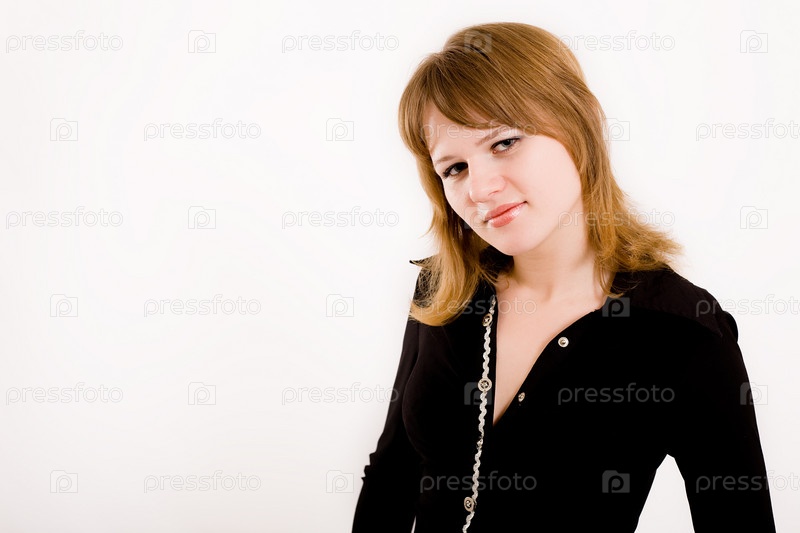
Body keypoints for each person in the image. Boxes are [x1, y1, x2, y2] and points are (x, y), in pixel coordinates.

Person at [352, 22, 776, 533]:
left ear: (581, 123)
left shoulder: (685, 331)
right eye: (455, 168)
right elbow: (392, 476)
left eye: (504, 142)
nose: (481, 187)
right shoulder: (444, 290)